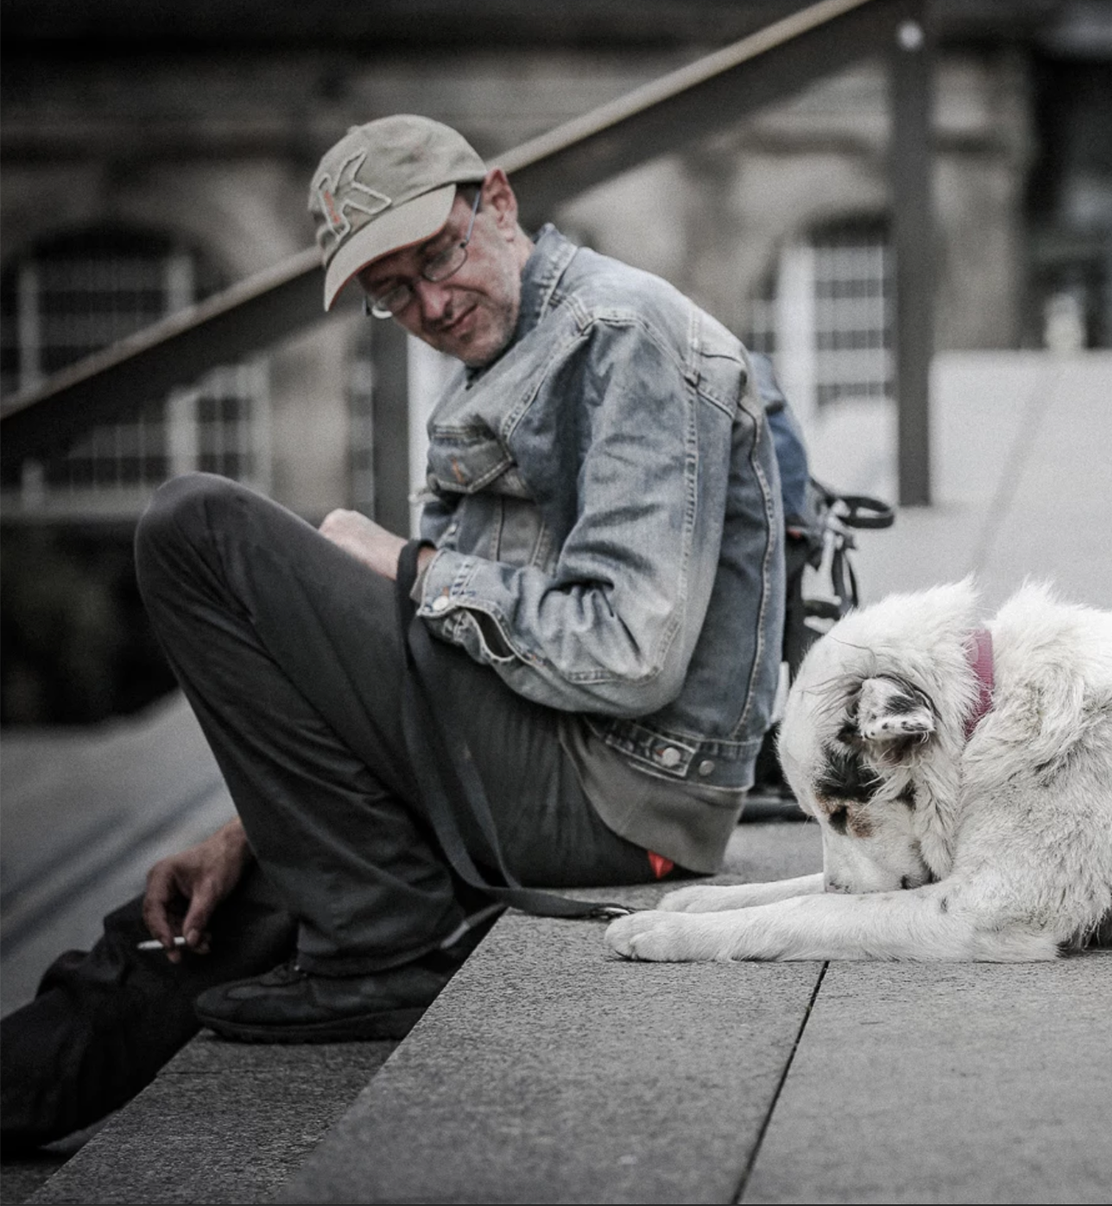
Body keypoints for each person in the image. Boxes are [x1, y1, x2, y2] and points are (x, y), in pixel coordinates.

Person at [0, 114, 787, 1146]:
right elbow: (429, 660)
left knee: (197, 526)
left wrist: (410, 564)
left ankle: (378, 940)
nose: (430, 303)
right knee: (182, 924)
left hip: (618, 799)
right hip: (520, 761)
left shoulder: (621, 333)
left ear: (496, 201)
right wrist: (255, 824)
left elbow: (628, 654)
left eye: (439, 257)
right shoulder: (500, 362)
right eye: (393, 295)